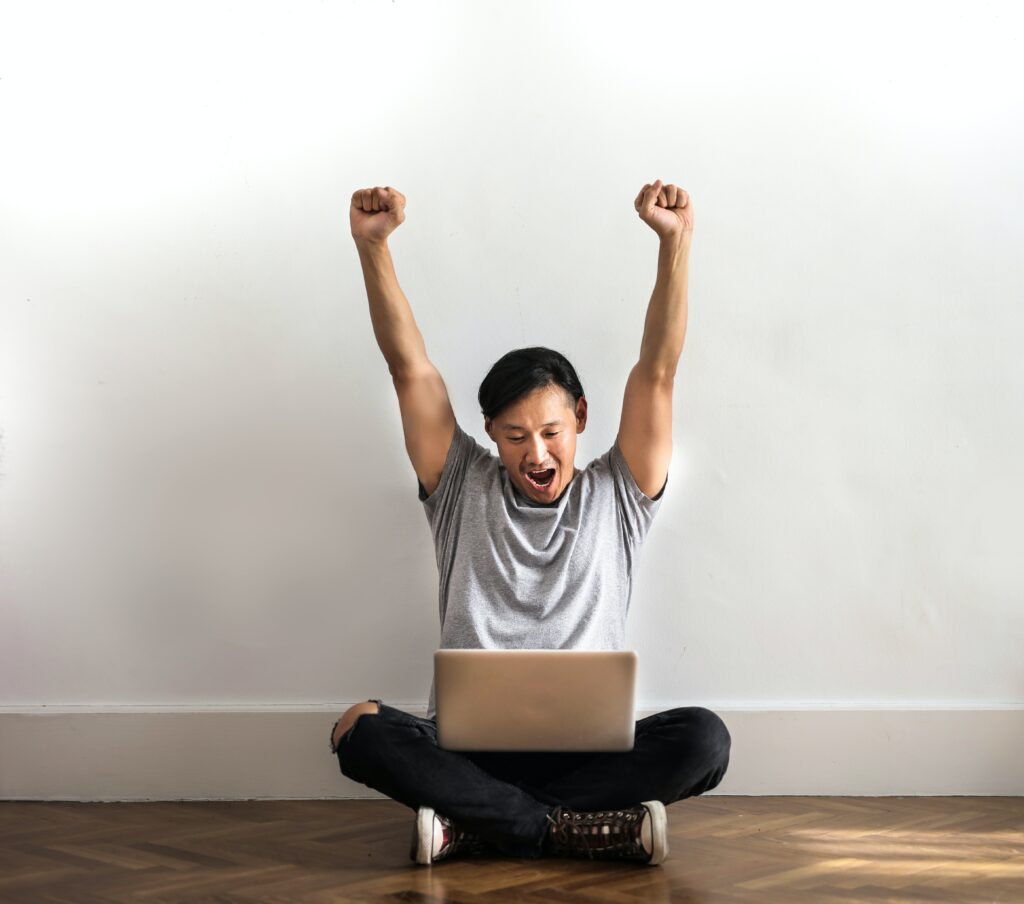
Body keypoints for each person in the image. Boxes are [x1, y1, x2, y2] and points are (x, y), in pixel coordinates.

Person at [330, 182, 731, 866]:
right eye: (515, 435)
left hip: (585, 756)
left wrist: (676, 243)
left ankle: (479, 824)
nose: (536, 454)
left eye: (550, 431)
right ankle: (570, 830)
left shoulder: (618, 493)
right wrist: (373, 248)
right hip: (466, 750)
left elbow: (658, 374)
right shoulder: (461, 485)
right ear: (488, 431)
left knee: (704, 740)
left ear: (580, 417)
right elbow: (409, 370)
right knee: (357, 729)